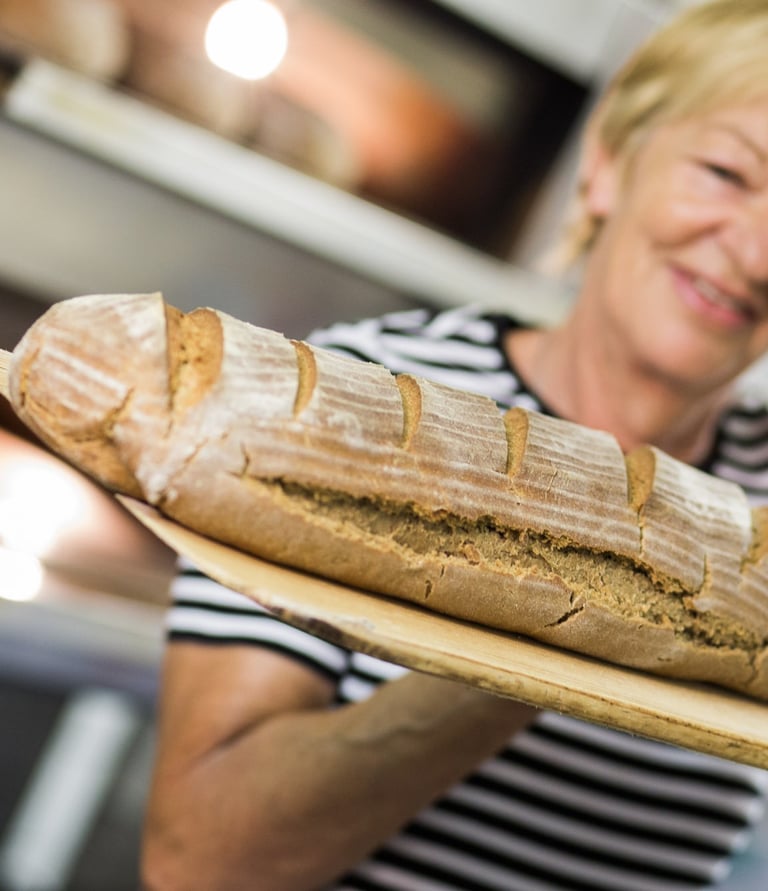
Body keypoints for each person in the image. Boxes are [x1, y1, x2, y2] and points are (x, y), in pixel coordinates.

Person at [140, 1, 768, 889]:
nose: (755, 248)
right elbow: (200, 862)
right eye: (724, 172)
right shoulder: (360, 397)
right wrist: (578, 618)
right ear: (607, 163)